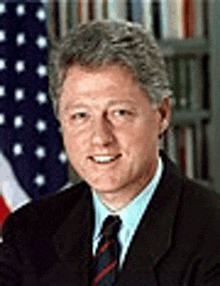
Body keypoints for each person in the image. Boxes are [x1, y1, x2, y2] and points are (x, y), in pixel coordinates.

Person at [1, 19, 220, 286]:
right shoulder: (28, 231)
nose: (100, 138)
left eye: (120, 113)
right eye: (80, 115)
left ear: (162, 114)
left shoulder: (212, 233)